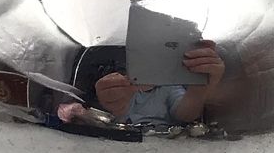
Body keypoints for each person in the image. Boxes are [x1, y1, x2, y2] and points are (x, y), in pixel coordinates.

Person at [57, 41, 225, 129]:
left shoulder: (168, 88)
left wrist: (199, 89)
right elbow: (110, 116)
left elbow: (185, 114)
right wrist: (109, 104)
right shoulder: (121, 84)